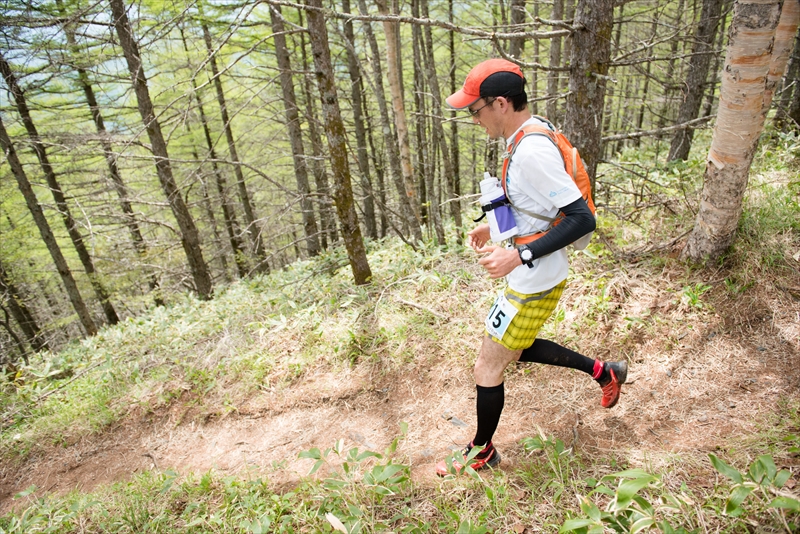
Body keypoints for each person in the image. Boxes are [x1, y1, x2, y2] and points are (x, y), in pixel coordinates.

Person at [435, 58, 627, 476]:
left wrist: (517, 255)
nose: (475, 120)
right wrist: (494, 227)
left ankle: (482, 451)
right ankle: (603, 371)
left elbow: (582, 219)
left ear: (500, 103)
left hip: (534, 277)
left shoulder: (532, 152)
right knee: (513, 349)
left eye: (475, 110)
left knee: (488, 365)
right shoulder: (526, 133)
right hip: (532, 272)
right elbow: (535, 206)